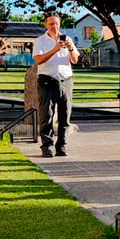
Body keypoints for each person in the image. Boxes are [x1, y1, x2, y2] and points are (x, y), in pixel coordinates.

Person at [32, 14, 79, 158]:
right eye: (51, 24)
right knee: (47, 115)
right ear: (46, 25)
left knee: (65, 115)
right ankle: (47, 146)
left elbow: (75, 60)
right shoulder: (40, 41)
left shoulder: (67, 39)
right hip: (47, 81)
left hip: (65, 81)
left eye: (56, 23)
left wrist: (70, 48)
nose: (54, 26)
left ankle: (61, 145)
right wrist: (55, 49)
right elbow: (39, 60)